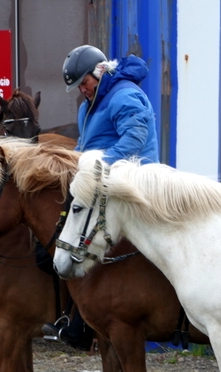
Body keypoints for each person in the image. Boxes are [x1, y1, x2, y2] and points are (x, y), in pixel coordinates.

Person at [44, 45, 160, 350]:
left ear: (101, 71)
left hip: (133, 180)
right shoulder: (88, 106)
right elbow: (86, 145)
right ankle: (73, 316)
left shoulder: (124, 95)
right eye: (79, 86)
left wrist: (97, 166)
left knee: (86, 237)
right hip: (102, 182)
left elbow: (134, 139)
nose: (82, 89)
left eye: (85, 82)